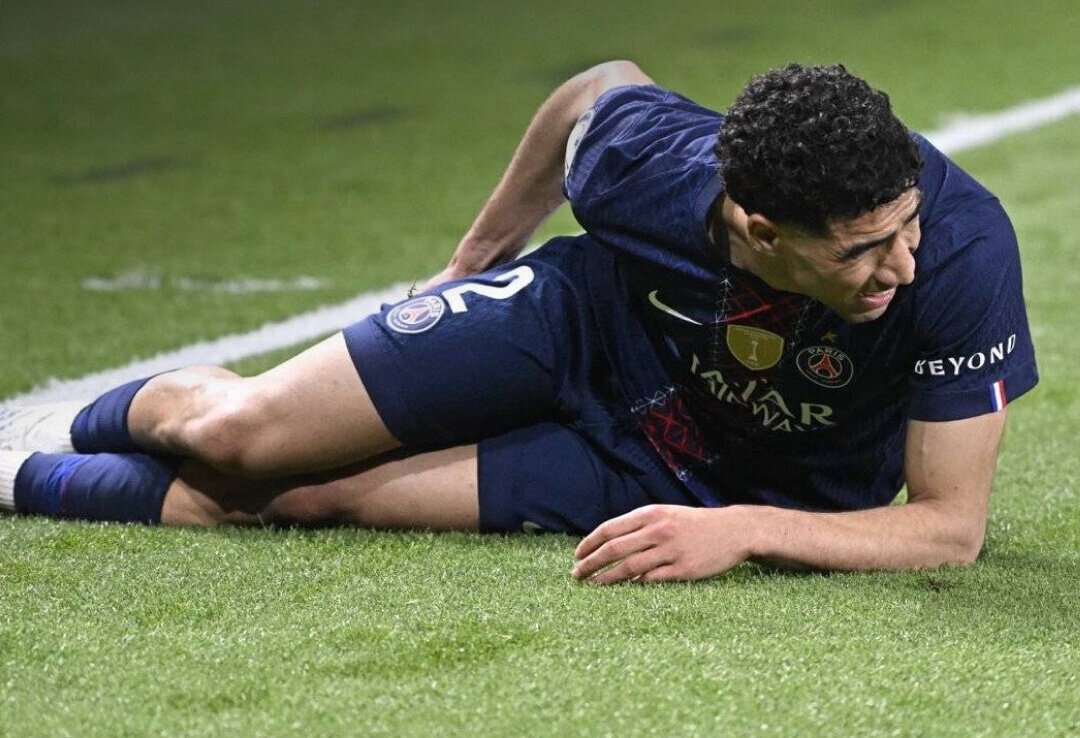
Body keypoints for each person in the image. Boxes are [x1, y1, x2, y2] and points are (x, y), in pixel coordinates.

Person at [0, 61, 1038, 584]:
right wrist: (476, 260)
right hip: (572, 320)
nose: (902, 265)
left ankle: (18, 477)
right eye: (860, 250)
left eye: (907, 226)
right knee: (238, 434)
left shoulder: (961, 253)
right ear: (759, 230)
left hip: (698, 473)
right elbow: (596, 87)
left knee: (301, 495)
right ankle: (62, 423)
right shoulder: (656, 167)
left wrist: (743, 527)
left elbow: (948, 529)